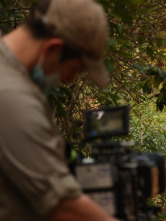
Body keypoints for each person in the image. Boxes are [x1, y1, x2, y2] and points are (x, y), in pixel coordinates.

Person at [0, 0, 119, 220]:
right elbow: (64, 207)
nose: (68, 79)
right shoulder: (12, 97)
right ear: (53, 48)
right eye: (73, 69)